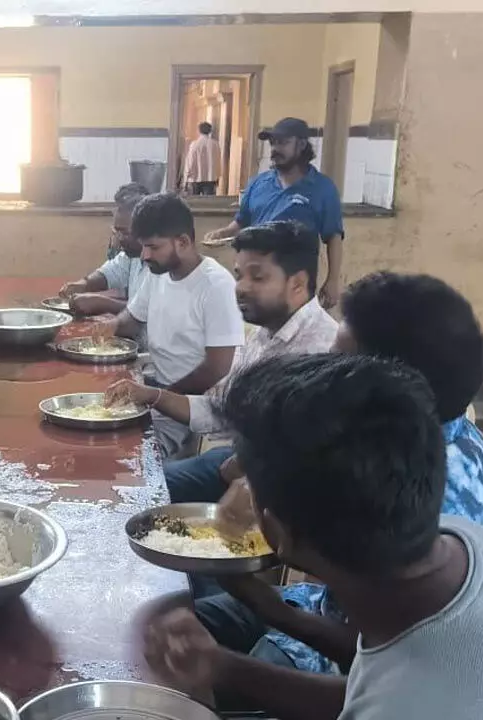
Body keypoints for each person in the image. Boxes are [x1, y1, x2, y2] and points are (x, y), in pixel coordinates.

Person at [145, 354, 483, 720]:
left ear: (275, 533)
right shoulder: (463, 543)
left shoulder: (411, 702)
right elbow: (380, 679)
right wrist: (255, 629)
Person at [187, 271, 483, 705]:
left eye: (337, 366)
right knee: (175, 620)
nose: (322, 375)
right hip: (324, 610)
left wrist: (223, 667)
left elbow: (374, 683)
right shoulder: (427, 437)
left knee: (195, 692)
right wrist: (265, 602)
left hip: (342, 663)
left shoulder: (418, 499)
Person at [106, 221, 337, 503]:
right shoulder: (265, 334)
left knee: (142, 495)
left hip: (277, 488)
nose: (240, 288)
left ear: (298, 283)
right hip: (238, 458)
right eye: (239, 275)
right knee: (135, 481)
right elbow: (222, 409)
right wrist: (151, 396)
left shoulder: (322, 349)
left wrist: (244, 469)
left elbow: (308, 454)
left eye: (258, 277)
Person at [109, 193, 243, 459]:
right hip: (159, 387)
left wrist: (160, 397)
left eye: (153, 247)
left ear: (182, 241)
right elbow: (130, 320)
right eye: (143, 246)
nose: (145, 255)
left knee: (127, 455)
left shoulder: (215, 285)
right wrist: (101, 331)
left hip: (192, 404)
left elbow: (217, 368)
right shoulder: (159, 273)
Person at [204, 118, 344, 309]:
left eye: (283, 142)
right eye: (273, 143)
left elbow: (333, 236)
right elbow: (241, 222)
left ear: (302, 144)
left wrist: (333, 280)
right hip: (255, 281)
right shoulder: (258, 184)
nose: (275, 149)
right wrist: (223, 233)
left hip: (296, 286)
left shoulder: (322, 189)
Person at [58, 183, 150, 316]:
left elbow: (147, 309)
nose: (118, 238)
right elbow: (109, 273)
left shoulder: (160, 265)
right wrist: (84, 284)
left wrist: (101, 303)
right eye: (116, 231)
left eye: (125, 233)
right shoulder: (130, 255)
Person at [184, 122, 222, 196]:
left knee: (194, 203)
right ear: (210, 131)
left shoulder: (194, 144)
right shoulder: (215, 144)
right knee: (208, 204)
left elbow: (190, 162)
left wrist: (186, 178)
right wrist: (217, 176)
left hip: (195, 178)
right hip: (210, 178)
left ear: (199, 130)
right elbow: (218, 162)